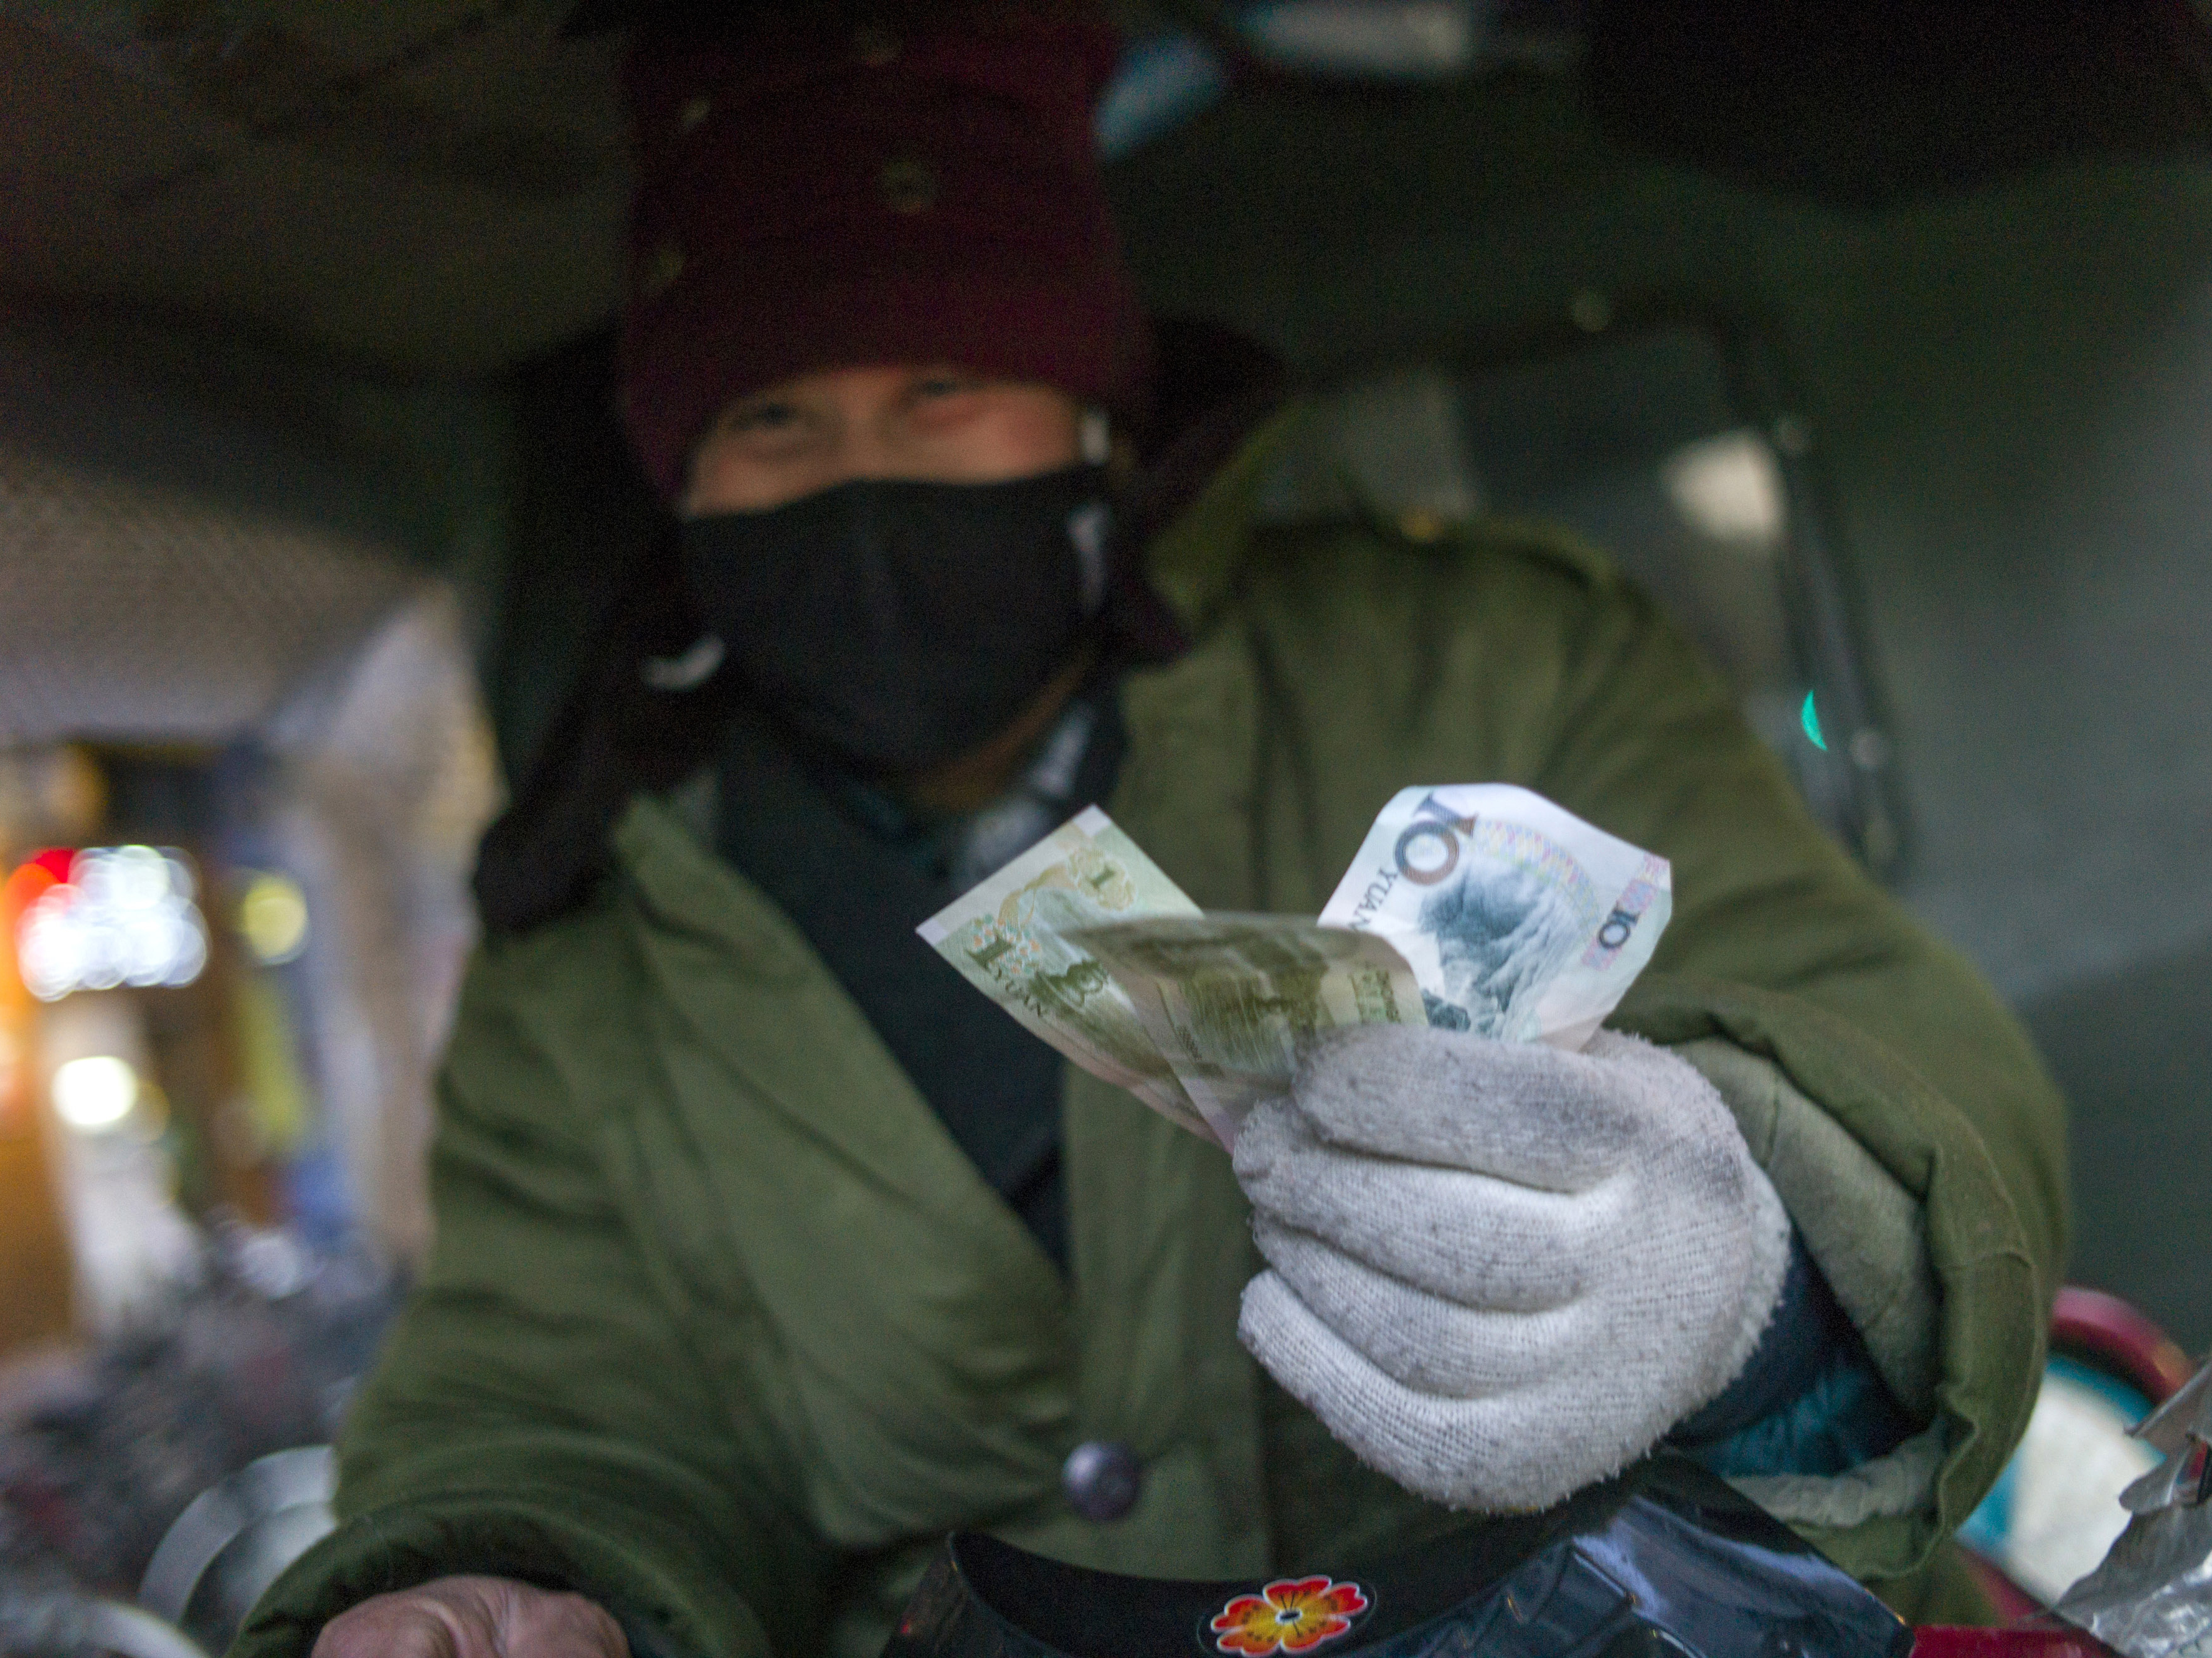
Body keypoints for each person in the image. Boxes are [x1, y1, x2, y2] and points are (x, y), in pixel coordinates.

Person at [237, 6, 2067, 1657]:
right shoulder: (590, 943)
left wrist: (1740, 1265)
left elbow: (1889, 1038)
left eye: (941, 391)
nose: (860, 479)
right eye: (771, 418)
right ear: (683, 479)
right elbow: (555, 1385)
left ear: (1102, 426)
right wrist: (516, 1581)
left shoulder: (1494, 658)